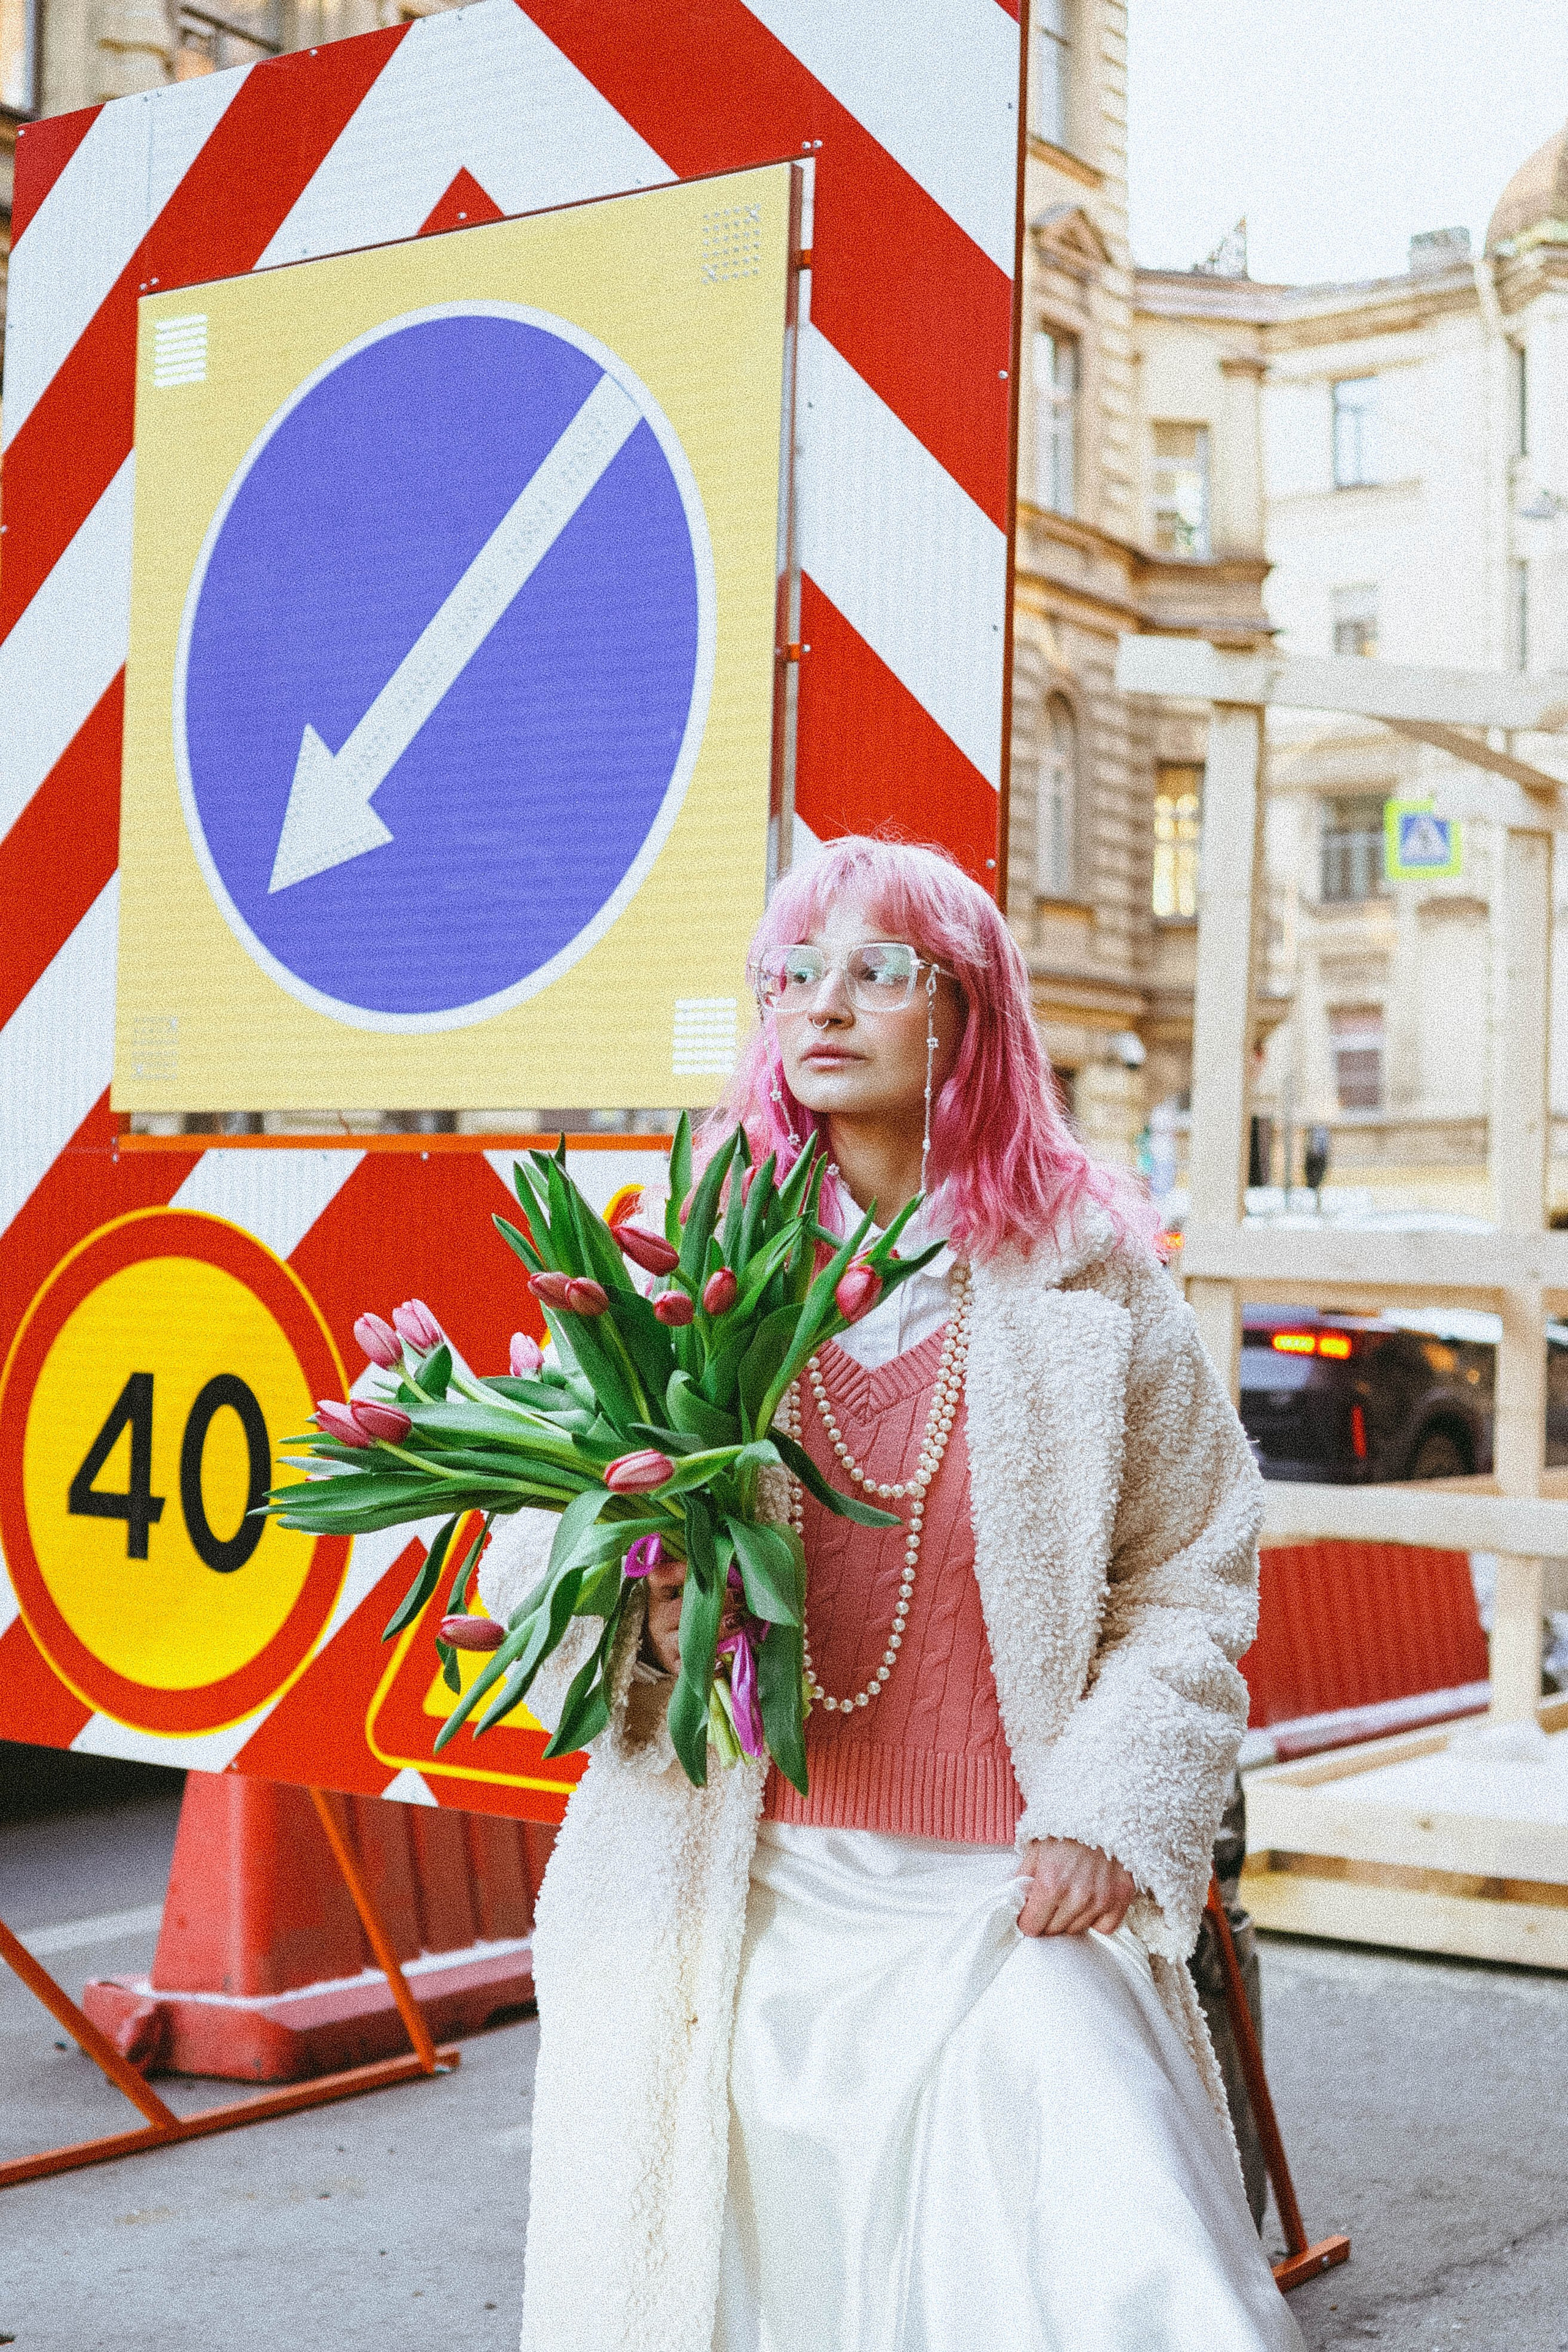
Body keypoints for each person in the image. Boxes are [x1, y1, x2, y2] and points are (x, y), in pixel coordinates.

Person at [480, 836, 1304, 2351]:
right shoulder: (674, 1263)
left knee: (1117, 2255)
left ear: (965, 1016)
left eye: (877, 970)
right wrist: (637, 1619)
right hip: (744, 1880)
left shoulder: (1092, 1285)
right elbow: (542, 1532)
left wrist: (1104, 1814)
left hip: (1005, 1890)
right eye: (793, 973)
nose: (824, 1004)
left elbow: (1190, 1571)